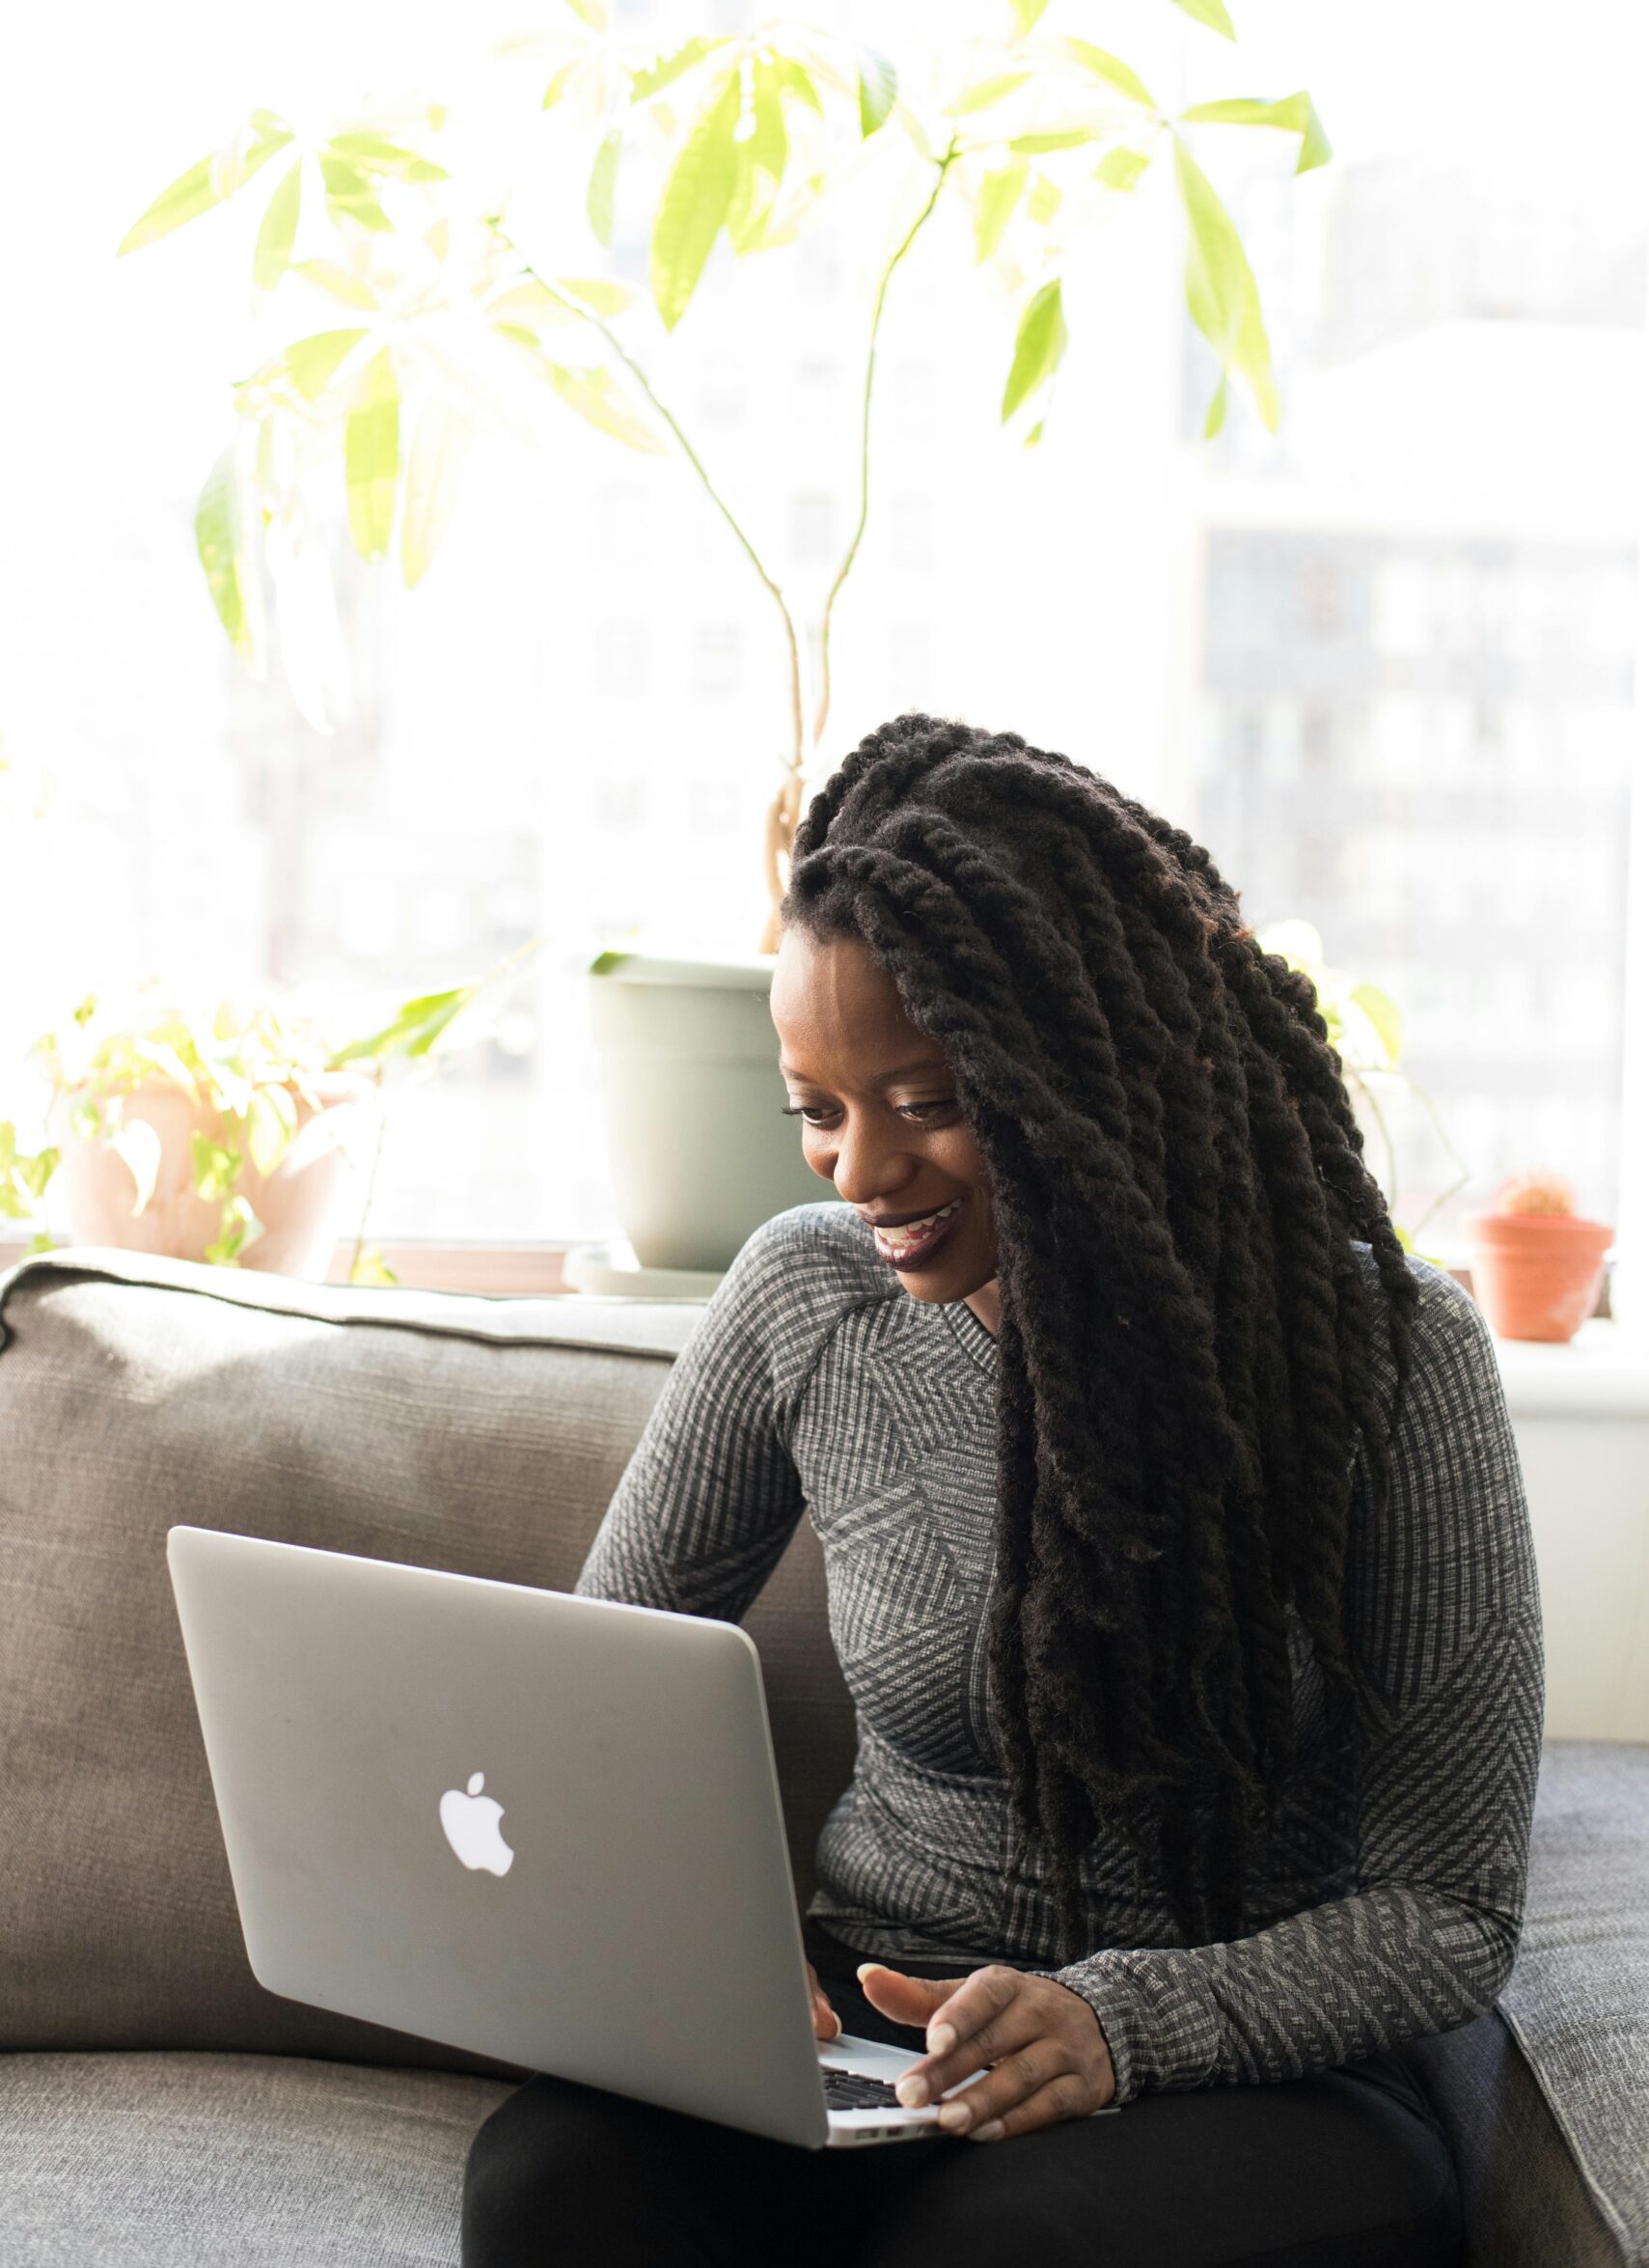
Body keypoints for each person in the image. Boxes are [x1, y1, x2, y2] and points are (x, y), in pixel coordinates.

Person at [462, 712, 1543, 2267]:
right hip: (875, 2022)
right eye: (817, 1112)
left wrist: (1117, 2022)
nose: (857, 1174)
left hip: (1238, 2069)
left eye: (924, 1102)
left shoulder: (1388, 1358)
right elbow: (585, 1693)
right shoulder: (803, 1303)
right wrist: (699, 1962)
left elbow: (1449, 1908)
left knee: (999, 2250)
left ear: (1088, 1073)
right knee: (550, 2194)